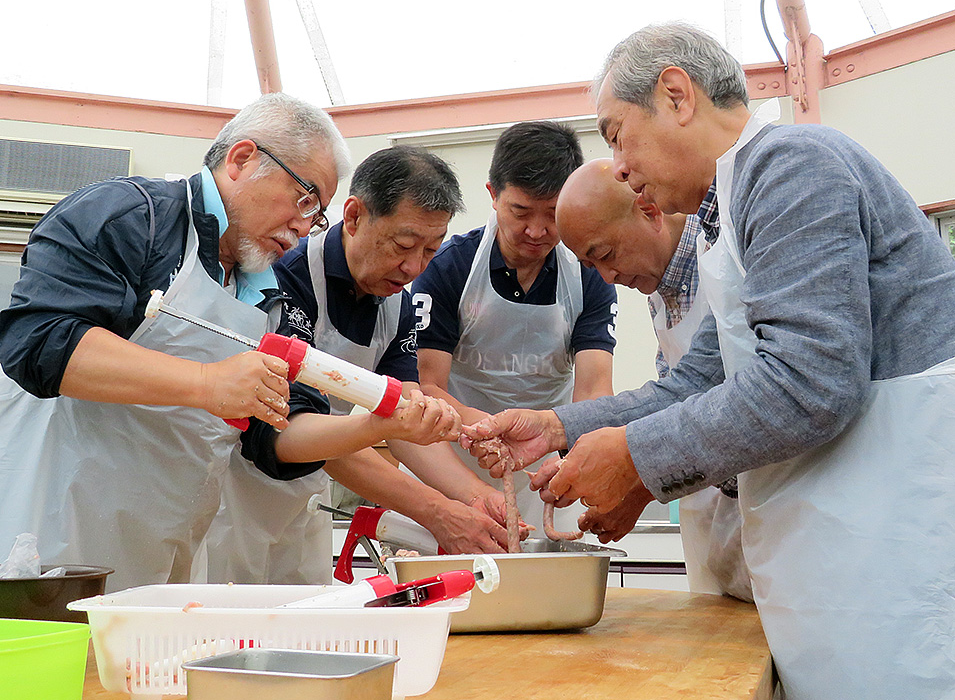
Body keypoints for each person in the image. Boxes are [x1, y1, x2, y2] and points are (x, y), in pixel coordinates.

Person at [462, 23, 955, 700]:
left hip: (886, 541)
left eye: (615, 134)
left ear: (675, 94)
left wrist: (635, 456)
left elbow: (808, 382)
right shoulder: (730, 208)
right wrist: (556, 426)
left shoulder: (792, 164)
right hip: (832, 551)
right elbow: (696, 382)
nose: (620, 165)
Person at [0, 93, 346, 591]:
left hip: (165, 557)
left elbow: (271, 437)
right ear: (242, 159)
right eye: (305, 198)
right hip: (50, 536)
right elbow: (40, 342)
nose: (303, 226)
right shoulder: (131, 216)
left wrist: (381, 422)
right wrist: (206, 382)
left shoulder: (271, 295)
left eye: (317, 216)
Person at [203, 146, 516, 584]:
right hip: (235, 503)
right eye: (403, 245)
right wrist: (437, 511)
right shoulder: (286, 277)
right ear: (353, 217)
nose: (413, 267)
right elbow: (296, 428)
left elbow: (407, 417)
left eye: (431, 251)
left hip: (302, 506)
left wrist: (475, 496)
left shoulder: (396, 304)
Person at [555, 158, 751, 602]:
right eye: (591, 266)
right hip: (711, 525)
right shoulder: (659, 290)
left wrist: (563, 429)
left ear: (649, 209)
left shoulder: (725, 260)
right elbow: (674, 400)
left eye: (605, 255)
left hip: (775, 519)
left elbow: (702, 396)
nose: (607, 277)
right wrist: (639, 489)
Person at [413, 121, 618, 539]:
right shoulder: (448, 267)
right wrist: (482, 431)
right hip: (453, 458)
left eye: (552, 214)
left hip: (545, 468)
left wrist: (573, 455)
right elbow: (424, 384)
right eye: (521, 212)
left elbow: (595, 388)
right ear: (492, 194)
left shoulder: (588, 272)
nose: (537, 231)